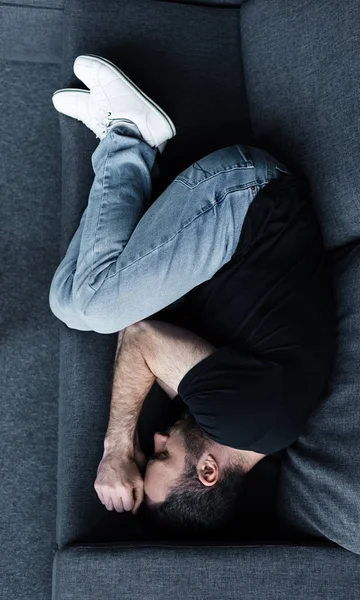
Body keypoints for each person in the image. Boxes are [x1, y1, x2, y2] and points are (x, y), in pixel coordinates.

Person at [49, 55, 337, 531]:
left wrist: (143, 362)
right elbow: (139, 336)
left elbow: (137, 337)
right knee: (97, 305)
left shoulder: (248, 422)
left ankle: (119, 143)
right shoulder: (243, 419)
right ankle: (130, 133)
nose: (158, 435)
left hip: (224, 228)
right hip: (250, 196)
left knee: (69, 305)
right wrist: (117, 450)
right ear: (208, 471)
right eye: (163, 455)